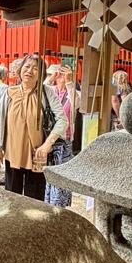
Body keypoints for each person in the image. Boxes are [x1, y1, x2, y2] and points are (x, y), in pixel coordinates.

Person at [0, 55, 67, 201]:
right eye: (27, 67)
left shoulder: (46, 93)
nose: (29, 71)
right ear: (20, 70)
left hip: (38, 154)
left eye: (35, 68)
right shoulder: (9, 93)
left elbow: (62, 120)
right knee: (11, 196)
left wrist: (47, 144)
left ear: (41, 74)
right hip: (13, 152)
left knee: (35, 199)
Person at [44, 66, 75, 207]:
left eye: (63, 75)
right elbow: (40, 91)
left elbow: (76, 103)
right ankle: (47, 202)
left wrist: (69, 82)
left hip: (64, 140)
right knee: (48, 172)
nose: (61, 77)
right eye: (59, 75)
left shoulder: (72, 93)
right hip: (48, 138)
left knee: (61, 175)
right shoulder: (50, 91)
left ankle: (59, 206)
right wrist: (50, 77)